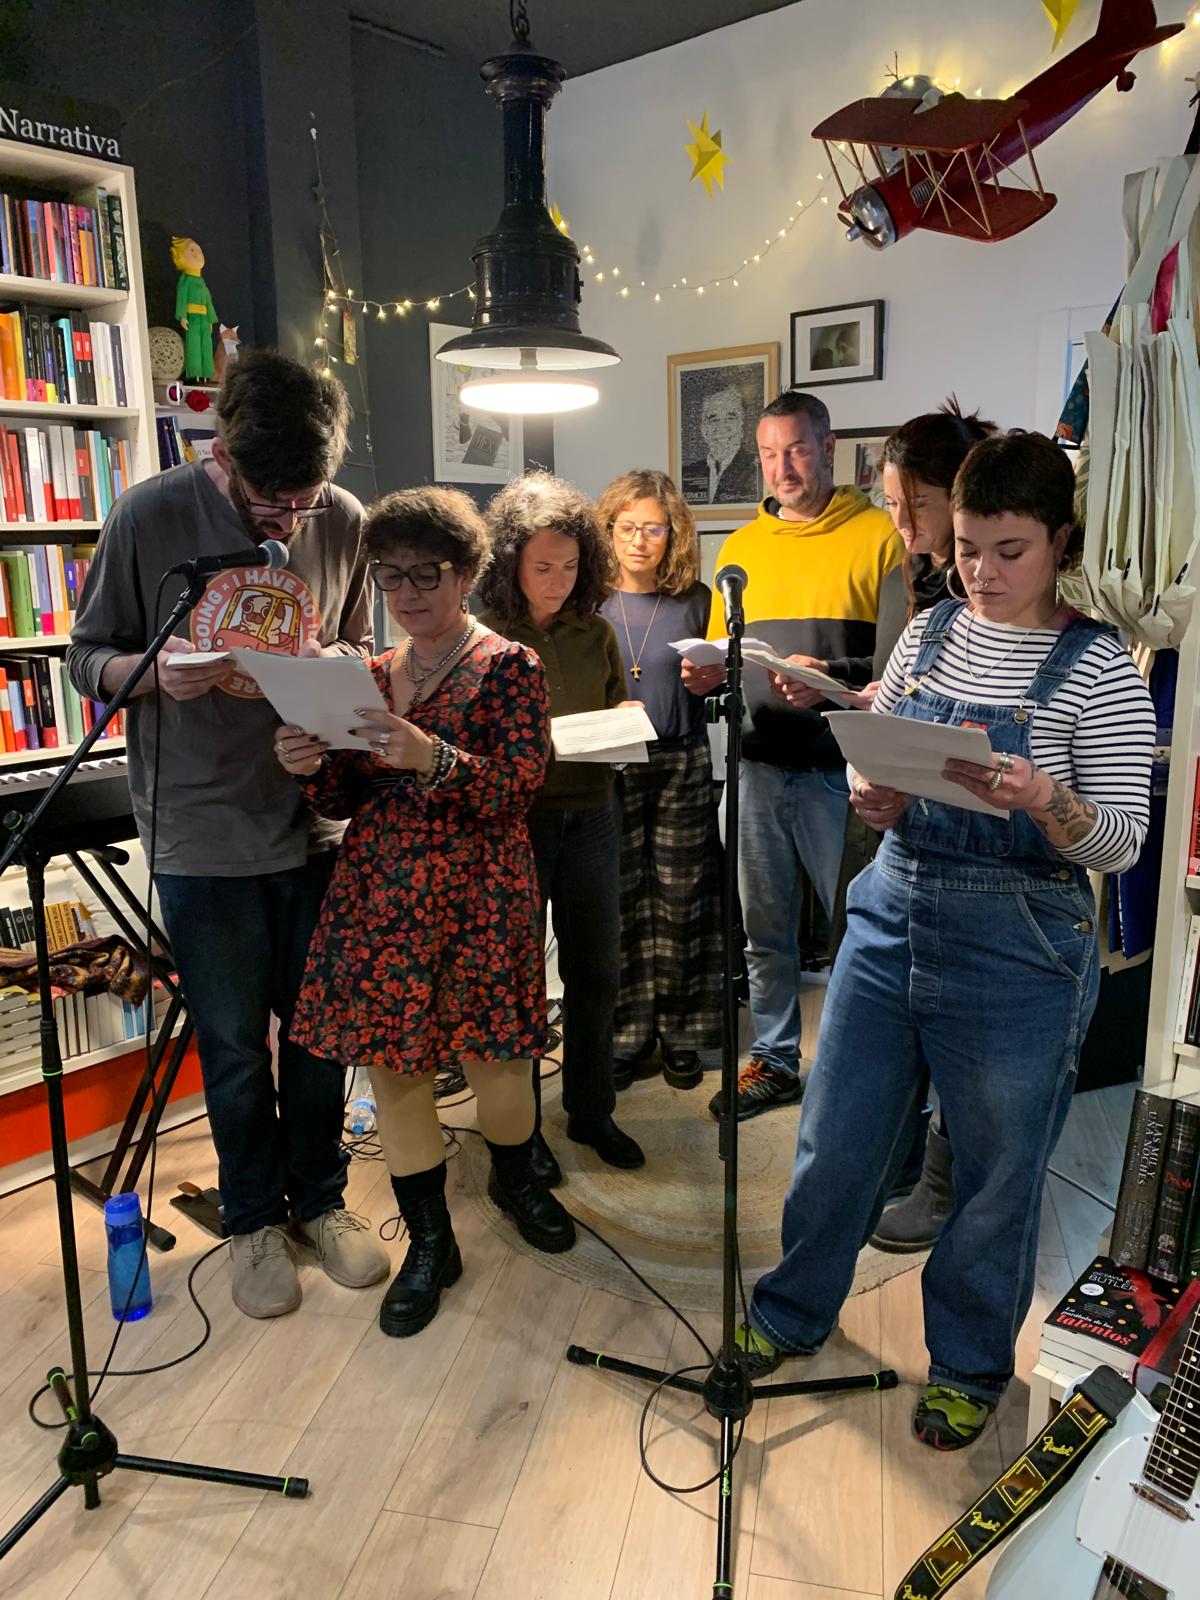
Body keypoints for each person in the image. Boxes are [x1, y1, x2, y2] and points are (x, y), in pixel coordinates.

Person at [738, 431, 1155, 1451]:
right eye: (967, 547)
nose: (981, 572)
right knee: (838, 1135)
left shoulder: (1099, 668)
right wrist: (866, 791)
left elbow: (1123, 838)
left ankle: (968, 1362)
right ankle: (792, 1307)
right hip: (893, 903)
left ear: (1061, 539)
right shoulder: (928, 632)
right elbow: (879, 753)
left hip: (1021, 937)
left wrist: (1049, 800)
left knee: (996, 1167)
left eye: (1009, 550)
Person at [67, 349, 389, 1319]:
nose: (289, 521)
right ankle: (253, 1219)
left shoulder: (345, 521)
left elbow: (365, 648)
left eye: (307, 498)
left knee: (322, 1032)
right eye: (269, 500)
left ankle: (323, 1202)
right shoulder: (148, 516)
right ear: (221, 452)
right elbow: (85, 656)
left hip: (316, 819)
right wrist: (150, 673)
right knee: (236, 1044)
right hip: (201, 830)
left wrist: (335, 674)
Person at [275, 487, 574, 1338]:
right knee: (396, 1074)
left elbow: (520, 785)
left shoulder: (510, 665)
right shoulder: (368, 675)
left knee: (498, 1064)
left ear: (470, 572)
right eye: (390, 575)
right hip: (380, 899)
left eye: (427, 574)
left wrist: (434, 757)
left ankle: (516, 1182)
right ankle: (432, 1243)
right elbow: (343, 795)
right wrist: (307, 762)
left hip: (481, 895)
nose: (407, 593)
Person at [681, 389, 900, 1121]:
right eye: (770, 453)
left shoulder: (879, 536)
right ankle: (774, 1061)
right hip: (754, 768)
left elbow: (897, 666)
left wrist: (830, 678)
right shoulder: (739, 549)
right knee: (763, 933)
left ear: (828, 447)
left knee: (857, 935)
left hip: (843, 774)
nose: (782, 467)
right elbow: (724, 652)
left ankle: (850, 1072)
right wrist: (707, 673)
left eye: (796, 450)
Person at [818, 402, 997, 1253]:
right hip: (908, 835)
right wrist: (870, 725)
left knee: (965, 1044)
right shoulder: (922, 588)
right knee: (884, 1024)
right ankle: (893, 1164)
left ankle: (939, 1180)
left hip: (985, 854)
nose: (899, 523)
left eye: (908, 504)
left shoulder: (989, 592)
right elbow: (899, 687)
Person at [478, 471, 645, 1177]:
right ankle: (521, 1132)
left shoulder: (596, 632)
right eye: (542, 567)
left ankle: (591, 1110)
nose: (556, 580)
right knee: (517, 980)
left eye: (570, 567)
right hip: (519, 823)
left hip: (591, 813)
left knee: (596, 971)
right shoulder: (486, 637)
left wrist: (625, 728)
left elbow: (619, 710)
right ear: (510, 564)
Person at [596, 469, 722, 1091]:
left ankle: (681, 1034)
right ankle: (625, 1035)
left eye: (653, 528)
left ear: (673, 535)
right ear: (608, 531)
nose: (639, 540)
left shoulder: (699, 599)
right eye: (627, 527)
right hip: (610, 763)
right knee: (620, 902)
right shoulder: (586, 599)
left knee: (681, 901)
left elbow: (722, 675)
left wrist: (716, 679)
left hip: (681, 760)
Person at [682, 385, 760, 506]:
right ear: (703, 428)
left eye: (730, 418)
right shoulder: (687, 474)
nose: (721, 428)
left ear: (742, 424)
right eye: (714, 420)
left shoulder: (757, 470)